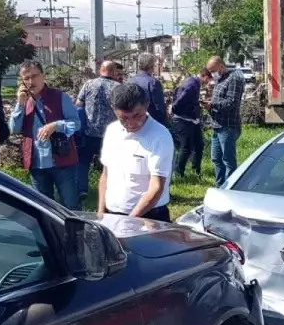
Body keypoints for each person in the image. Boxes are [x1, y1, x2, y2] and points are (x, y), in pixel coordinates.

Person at [9, 60, 83, 209]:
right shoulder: (24, 102)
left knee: (71, 205)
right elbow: (14, 129)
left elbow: (76, 124)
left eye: (35, 76)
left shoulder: (59, 97)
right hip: (37, 164)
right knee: (43, 207)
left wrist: (56, 126)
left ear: (43, 76)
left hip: (62, 161)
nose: (31, 81)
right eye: (26, 78)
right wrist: (20, 104)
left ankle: (75, 232)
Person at [97, 83, 174, 222]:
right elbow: (106, 175)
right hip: (112, 215)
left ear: (146, 106)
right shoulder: (112, 131)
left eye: (137, 115)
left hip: (148, 217)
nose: (131, 123)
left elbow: (156, 187)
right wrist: (101, 212)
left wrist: (130, 221)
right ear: (114, 110)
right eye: (124, 118)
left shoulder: (160, 136)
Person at [74, 60, 120, 200]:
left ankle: (82, 189)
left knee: (83, 162)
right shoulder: (118, 87)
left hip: (88, 132)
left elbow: (78, 104)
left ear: (101, 70)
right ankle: (110, 189)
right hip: (110, 134)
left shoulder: (89, 84)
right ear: (113, 72)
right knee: (110, 164)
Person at [205, 56, 245, 187]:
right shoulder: (220, 79)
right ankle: (220, 186)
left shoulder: (234, 78)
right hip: (217, 125)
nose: (212, 74)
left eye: (213, 70)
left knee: (228, 160)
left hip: (227, 126)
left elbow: (231, 102)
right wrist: (209, 106)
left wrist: (213, 105)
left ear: (221, 66)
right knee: (216, 158)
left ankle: (230, 187)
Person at [171, 69, 211, 179]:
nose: (207, 82)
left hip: (192, 119)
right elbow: (180, 99)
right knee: (186, 147)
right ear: (204, 76)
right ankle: (179, 173)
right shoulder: (192, 84)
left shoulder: (194, 83)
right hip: (184, 119)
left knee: (199, 145)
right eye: (208, 79)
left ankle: (195, 170)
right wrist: (175, 110)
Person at [129, 52, 168, 125]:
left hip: (132, 123)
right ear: (151, 65)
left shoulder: (129, 81)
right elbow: (159, 108)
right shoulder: (153, 82)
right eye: (155, 64)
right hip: (150, 124)